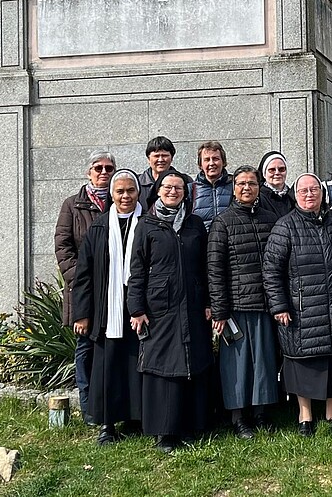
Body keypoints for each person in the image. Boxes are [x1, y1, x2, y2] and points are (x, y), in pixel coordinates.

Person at [263, 173, 332, 437]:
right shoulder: (285, 226)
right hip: (300, 309)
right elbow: (271, 270)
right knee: (302, 362)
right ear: (295, 195)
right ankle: (305, 416)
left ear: (322, 193)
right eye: (303, 190)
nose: (309, 194)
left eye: (314, 189)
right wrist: (279, 305)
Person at [128, 169, 213, 452]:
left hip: (192, 305)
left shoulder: (195, 224)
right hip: (159, 308)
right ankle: (165, 432)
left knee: (192, 363)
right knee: (163, 367)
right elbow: (137, 270)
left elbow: (205, 265)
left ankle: (189, 425)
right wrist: (136, 308)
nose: (173, 191)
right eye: (168, 187)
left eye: (179, 188)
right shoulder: (147, 225)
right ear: (158, 191)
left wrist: (209, 302)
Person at [207, 166, 280, 439]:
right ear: (233, 188)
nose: (246, 188)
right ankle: (239, 418)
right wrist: (220, 310)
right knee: (236, 366)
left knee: (264, 362)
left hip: (264, 303)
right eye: (241, 183)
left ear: (259, 187)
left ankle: (261, 413)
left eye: (251, 183)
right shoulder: (222, 222)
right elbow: (215, 269)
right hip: (236, 305)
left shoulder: (271, 219)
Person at [72, 169, 143, 445]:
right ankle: (107, 425)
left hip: (137, 309)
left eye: (131, 191)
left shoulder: (148, 224)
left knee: (136, 366)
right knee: (108, 368)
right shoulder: (99, 227)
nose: (126, 196)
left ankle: (136, 418)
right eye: (120, 191)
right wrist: (83, 314)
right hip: (107, 311)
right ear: (112, 195)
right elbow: (84, 274)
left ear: (138, 193)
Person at [54, 150, 115, 424]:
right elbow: (63, 246)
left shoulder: (119, 202)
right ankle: (90, 408)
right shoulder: (73, 205)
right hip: (85, 291)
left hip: (114, 290)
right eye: (98, 168)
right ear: (89, 172)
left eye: (109, 168)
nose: (104, 173)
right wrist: (82, 280)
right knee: (86, 348)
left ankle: (112, 406)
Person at [191, 141, 233, 231]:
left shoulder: (235, 186)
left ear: (223, 162)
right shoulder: (191, 189)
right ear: (200, 165)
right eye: (206, 159)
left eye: (215, 159)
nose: (211, 163)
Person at [137, 136, 190, 207]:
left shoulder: (186, 181)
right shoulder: (137, 183)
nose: (161, 160)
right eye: (156, 156)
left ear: (172, 158)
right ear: (148, 159)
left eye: (165, 155)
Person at [258, 151, 294, 219]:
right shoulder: (257, 197)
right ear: (264, 174)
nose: (277, 173)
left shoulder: (293, 197)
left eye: (281, 169)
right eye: (272, 170)